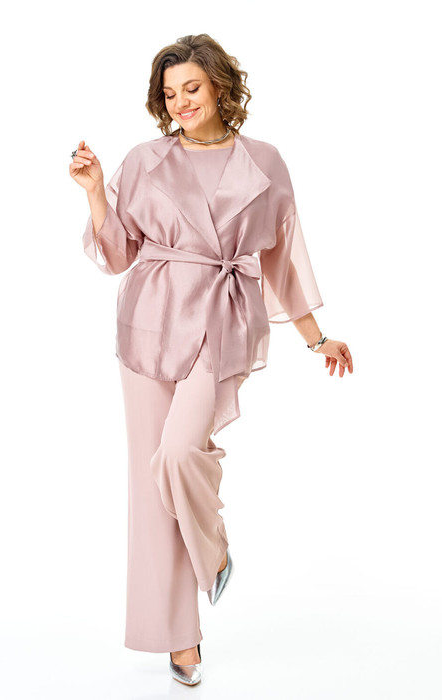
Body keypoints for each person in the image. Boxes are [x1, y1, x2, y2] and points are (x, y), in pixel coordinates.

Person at [69, 33, 353, 687]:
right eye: (170, 94)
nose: (181, 102)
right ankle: (181, 640)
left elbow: (282, 260)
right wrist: (95, 192)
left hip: (222, 323)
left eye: (192, 88)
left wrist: (316, 338)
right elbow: (118, 253)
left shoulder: (264, 162)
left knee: (177, 456)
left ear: (221, 86)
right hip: (147, 323)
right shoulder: (144, 160)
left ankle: (213, 551)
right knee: (151, 487)